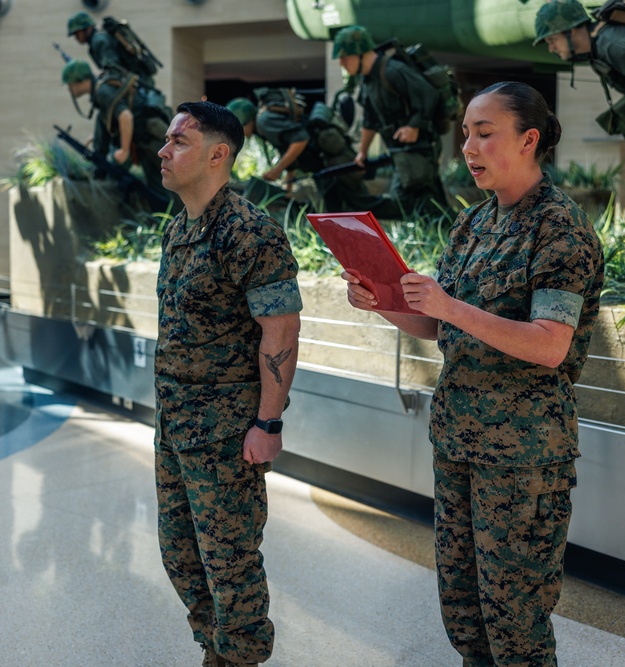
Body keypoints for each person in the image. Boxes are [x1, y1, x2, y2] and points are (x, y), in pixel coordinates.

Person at [343, 81, 603, 666]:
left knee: (515, 623)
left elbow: (549, 345)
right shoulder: (472, 226)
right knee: (464, 612)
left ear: (529, 140)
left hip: (523, 457)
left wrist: (448, 306)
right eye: (465, 133)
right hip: (458, 440)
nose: (468, 146)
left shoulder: (559, 228)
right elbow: (440, 328)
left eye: (485, 133)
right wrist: (382, 303)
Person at [154, 100, 302, 667]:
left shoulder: (250, 233)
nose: (164, 152)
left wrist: (268, 423)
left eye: (179, 143)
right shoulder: (180, 229)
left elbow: (281, 330)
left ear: (219, 155)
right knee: (181, 555)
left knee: (230, 564)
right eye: (167, 141)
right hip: (175, 428)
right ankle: (214, 652)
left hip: (225, 437)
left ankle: (239, 658)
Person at [534, 0, 625, 257]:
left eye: (552, 40)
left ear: (572, 31)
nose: (551, 48)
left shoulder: (614, 45)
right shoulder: (599, 49)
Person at [334, 25, 451, 220]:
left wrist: (414, 125)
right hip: (399, 152)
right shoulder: (367, 80)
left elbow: (428, 94)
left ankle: (454, 236)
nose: (341, 63)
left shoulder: (393, 70)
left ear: (360, 53)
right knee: (425, 201)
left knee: (413, 201)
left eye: (345, 57)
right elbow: (370, 120)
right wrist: (362, 152)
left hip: (418, 149)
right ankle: (451, 235)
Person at [226, 92, 404, 217]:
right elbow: (290, 152)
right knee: (341, 208)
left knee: (356, 204)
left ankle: (408, 210)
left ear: (245, 120)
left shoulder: (264, 122)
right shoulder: (265, 125)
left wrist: (276, 170)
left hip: (331, 164)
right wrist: (287, 188)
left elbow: (300, 140)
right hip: (326, 166)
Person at [61, 58, 172, 207]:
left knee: (166, 188)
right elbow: (111, 117)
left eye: (70, 84)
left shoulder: (102, 91)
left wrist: (124, 150)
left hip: (149, 139)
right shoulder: (100, 89)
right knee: (159, 188)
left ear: (80, 81)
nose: (69, 89)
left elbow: (125, 116)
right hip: (144, 140)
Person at [66, 10, 158, 89]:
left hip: (139, 83)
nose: (76, 37)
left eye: (77, 33)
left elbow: (113, 68)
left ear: (87, 29)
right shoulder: (98, 39)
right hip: (137, 80)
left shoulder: (99, 41)